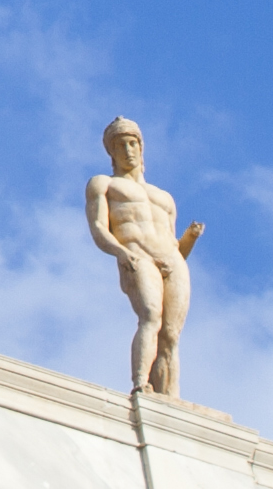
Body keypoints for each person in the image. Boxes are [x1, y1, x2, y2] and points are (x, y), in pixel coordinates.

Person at [81, 117, 205, 399]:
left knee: (171, 335)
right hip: (137, 257)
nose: (128, 150)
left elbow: (176, 248)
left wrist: (190, 238)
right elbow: (99, 227)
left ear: (141, 147)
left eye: (132, 143)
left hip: (172, 261)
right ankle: (140, 382)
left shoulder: (164, 197)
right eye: (121, 145)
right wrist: (121, 252)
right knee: (150, 316)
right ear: (111, 152)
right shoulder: (103, 184)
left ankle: (170, 397)